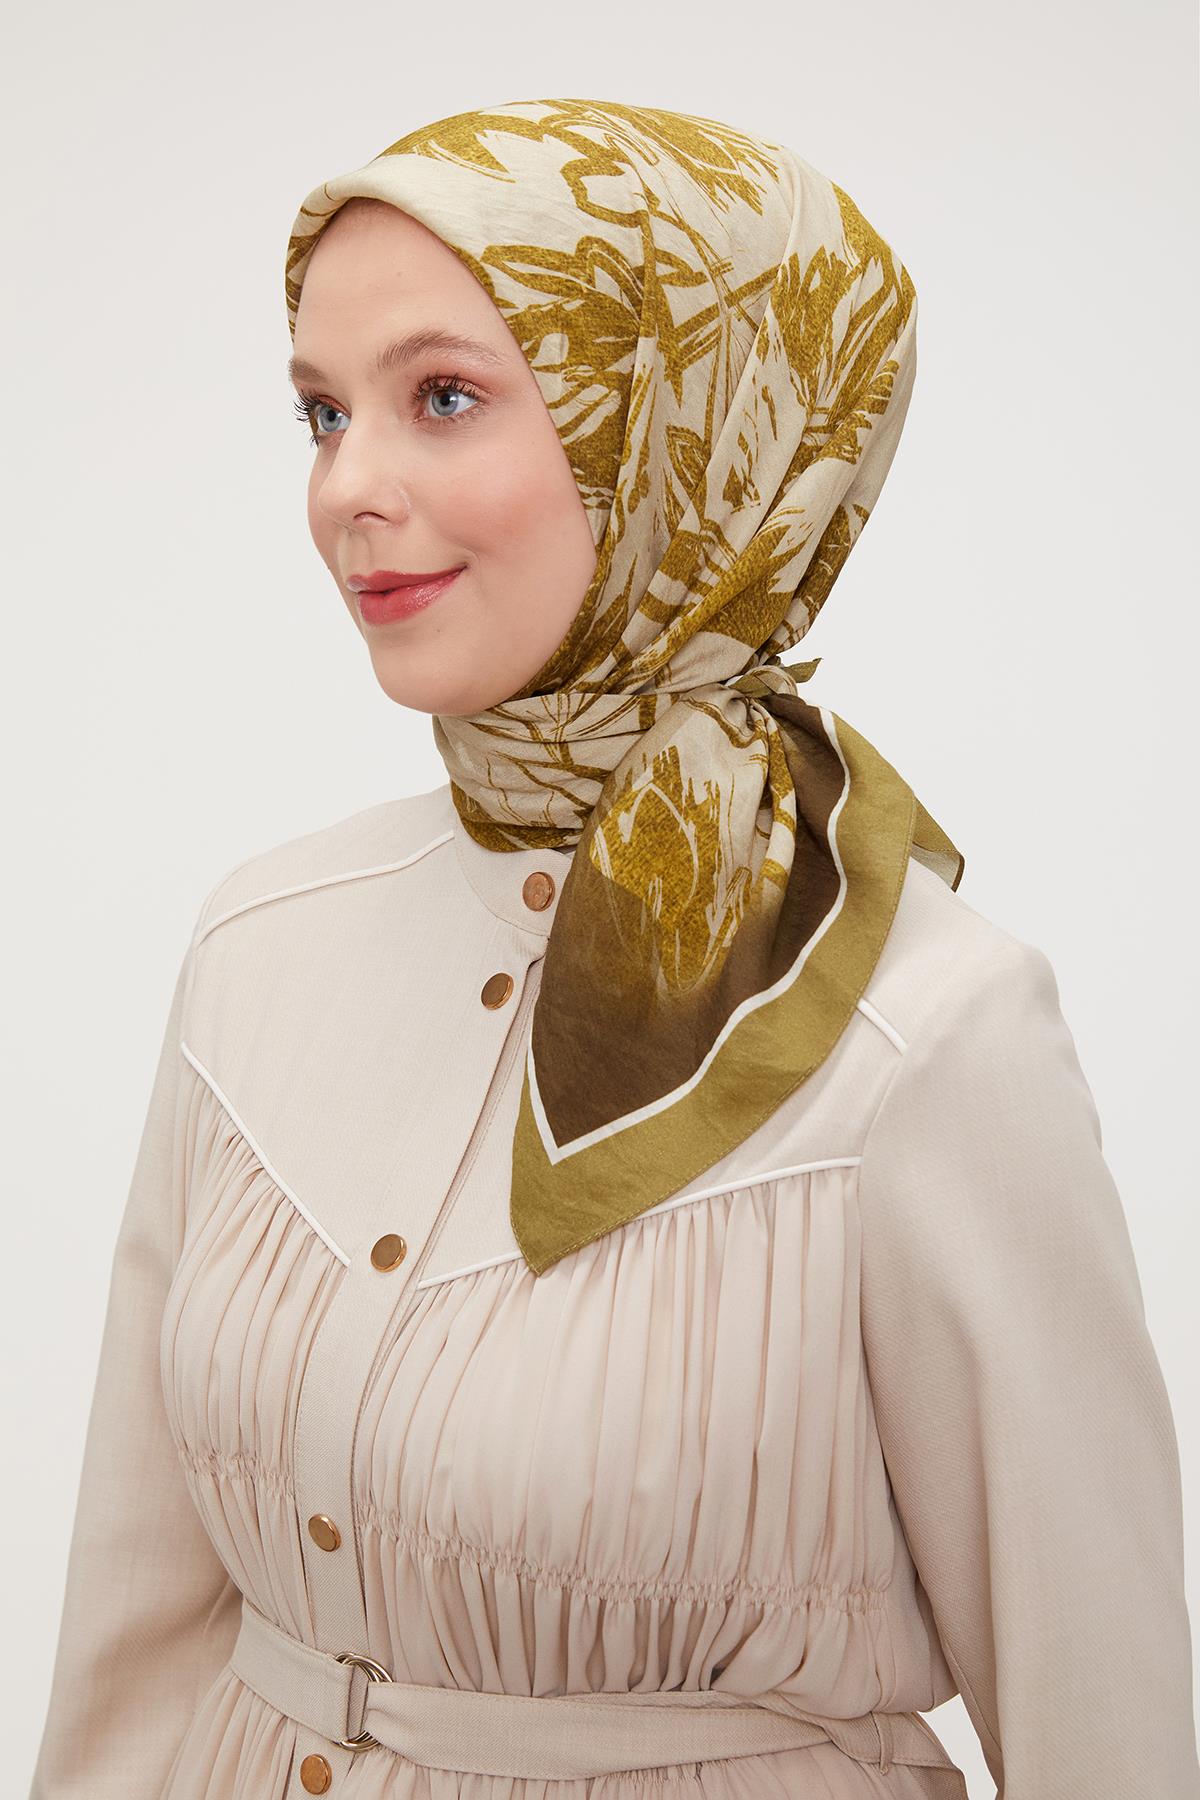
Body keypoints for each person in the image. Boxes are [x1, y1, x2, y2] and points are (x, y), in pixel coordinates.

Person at [29, 97, 1198, 1800]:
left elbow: (1110, 1737)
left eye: (443, 398)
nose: (348, 489)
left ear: (683, 423)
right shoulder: (256, 946)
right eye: (321, 412)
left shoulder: (934, 1036)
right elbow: (133, 1646)